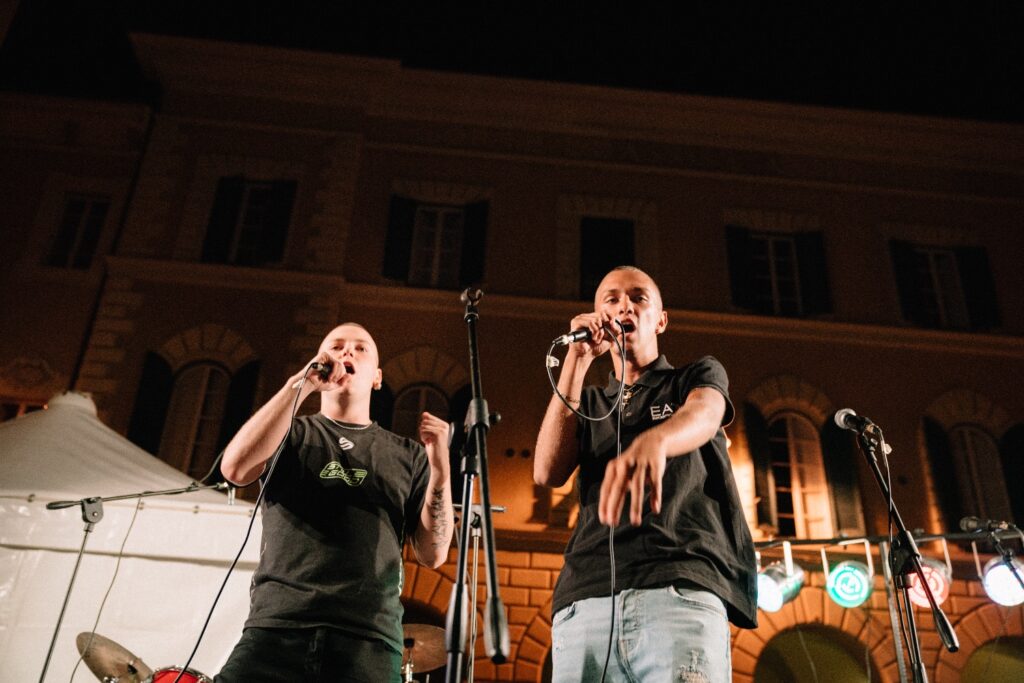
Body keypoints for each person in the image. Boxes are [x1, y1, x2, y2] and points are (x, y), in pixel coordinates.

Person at [534, 266, 757, 683]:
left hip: (678, 590)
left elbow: (706, 412)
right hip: (586, 600)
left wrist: (657, 440)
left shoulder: (694, 376)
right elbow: (546, 470)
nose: (625, 306)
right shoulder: (589, 403)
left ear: (661, 320)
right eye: (611, 299)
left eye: (638, 298)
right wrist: (577, 361)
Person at [216, 322, 454, 682]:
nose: (346, 352)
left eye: (360, 348)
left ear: (377, 377)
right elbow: (235, 468)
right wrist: (302, 383)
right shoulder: (290, 434)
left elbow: (433, 554)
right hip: (278, 627)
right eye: (337, 345)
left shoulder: (408, 455)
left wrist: (441, 470)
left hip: (368, 640)